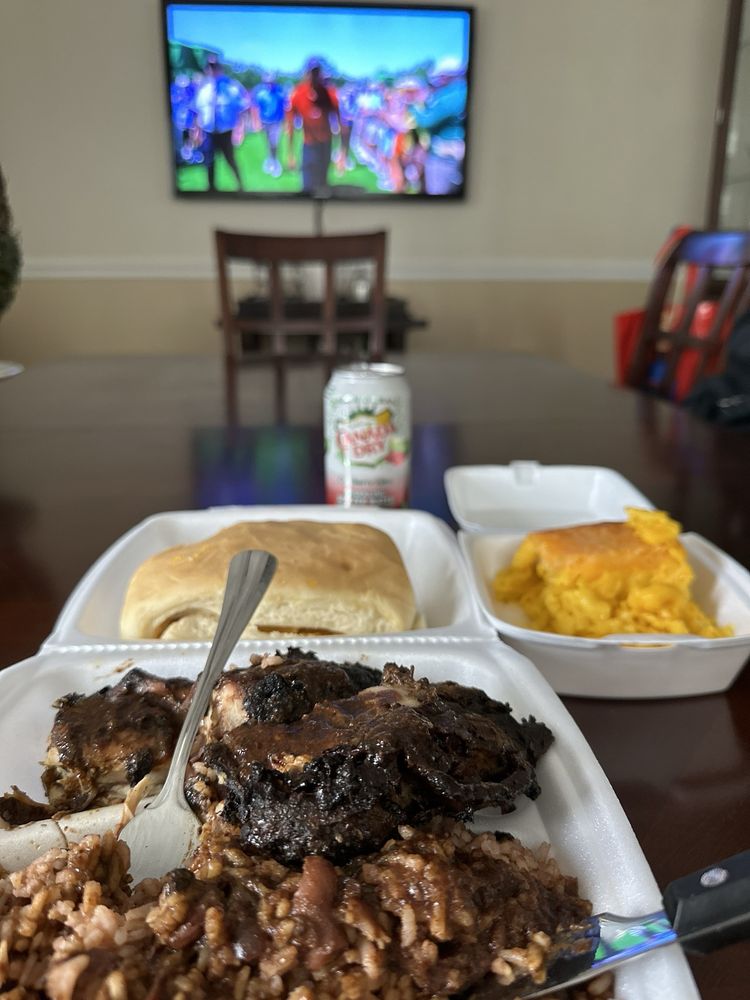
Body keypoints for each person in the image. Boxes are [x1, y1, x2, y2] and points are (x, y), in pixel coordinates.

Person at [194, 55, 249, 191]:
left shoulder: (231, 87)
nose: (212, 70)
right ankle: (211, 189)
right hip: (208, 132)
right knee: (209, 162)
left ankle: (240, 186)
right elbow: (198, 112)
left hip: (225, 132)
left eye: (215, 67)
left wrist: (240, 130)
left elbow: (242, 109)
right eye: (210, 67)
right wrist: (196, 132)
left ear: (220, 68)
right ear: (206, 69)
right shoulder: (202, 88)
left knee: (230, 160)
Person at [286, 60, 341, 193]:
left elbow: (340, 124)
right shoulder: (298, 94)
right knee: (307, 186)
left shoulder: (329, 94)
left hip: (325, 144)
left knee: (323, 184)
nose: (315, 76)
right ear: (307, 74)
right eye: (312, 73)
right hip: (309, 144)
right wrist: (290, 154)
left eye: (317, 72)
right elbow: (290, 126)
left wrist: (342, 153)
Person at [251, 72, 287, 178]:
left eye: (271, 82)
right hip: (265, 122)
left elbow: (286, 108)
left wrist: (286, 123)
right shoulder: (261, 94)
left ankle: (275, 163)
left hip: (277, 122)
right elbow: (256, 108)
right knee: (268, 143)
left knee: (274, 143)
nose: (269, 84)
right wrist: (256, 122)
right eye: (268, 82)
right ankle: (270, 160)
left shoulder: (280, 93)